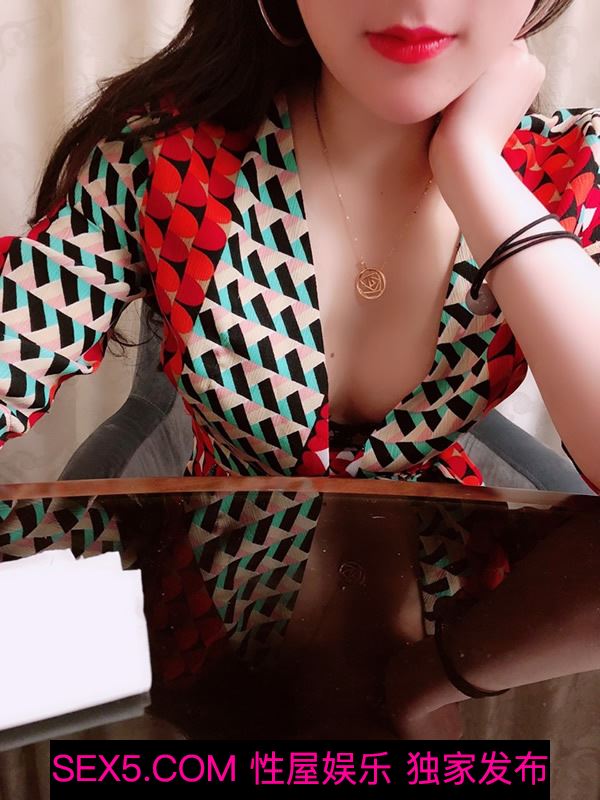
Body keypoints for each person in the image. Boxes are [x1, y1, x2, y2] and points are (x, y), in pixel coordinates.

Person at [0, 0, 599, 739]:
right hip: (214, 621)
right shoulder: (167, 162)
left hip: (477, 624)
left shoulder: (569, 171)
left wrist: (474, 166)